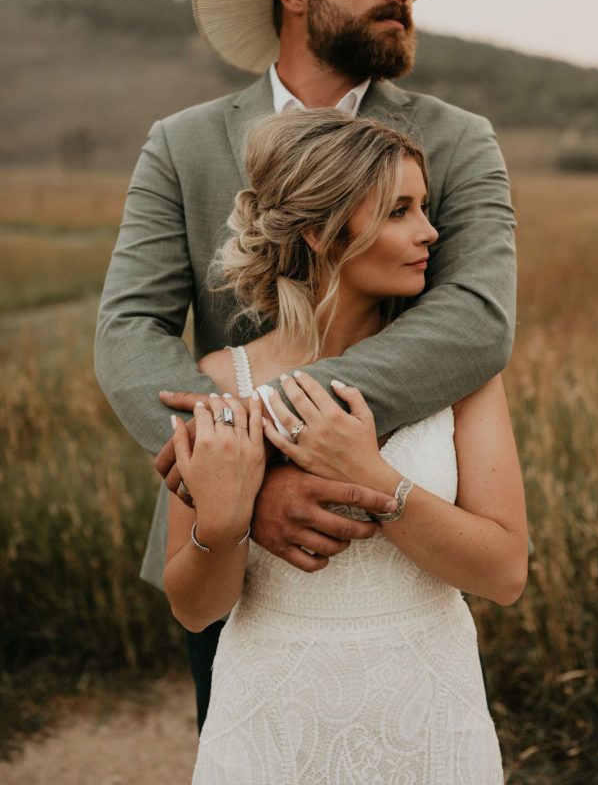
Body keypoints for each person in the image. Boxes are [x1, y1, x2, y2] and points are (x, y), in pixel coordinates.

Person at [94, 0, 518, 730]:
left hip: (401, 520)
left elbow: (476, 317)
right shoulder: (182, 145)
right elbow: (129, 330)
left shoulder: (458, 141)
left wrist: (271, 455)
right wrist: (237, 488)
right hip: (225, 538)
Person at [163, 108, 527, 783]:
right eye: (400, 211)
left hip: (425, 708)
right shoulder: (221, 380)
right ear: (318, 230)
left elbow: (505, 573)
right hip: (275, 717)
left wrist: (374, 478)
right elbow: (194, 607)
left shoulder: (465, 372)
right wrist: (225, 519)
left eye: (425, 206)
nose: (431, 232)